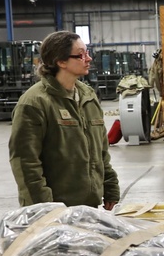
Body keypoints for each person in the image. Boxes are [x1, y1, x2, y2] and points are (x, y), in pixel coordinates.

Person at [9, 31, 119, 210]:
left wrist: (110, 186)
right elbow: (25, 161)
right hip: (55, 210)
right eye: (81, 54)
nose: (89, 58)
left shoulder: (88, 97)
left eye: (87, 52)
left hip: (90, 207)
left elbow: (101, 152)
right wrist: (44, 206)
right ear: (60, 61)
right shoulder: (35, 103)